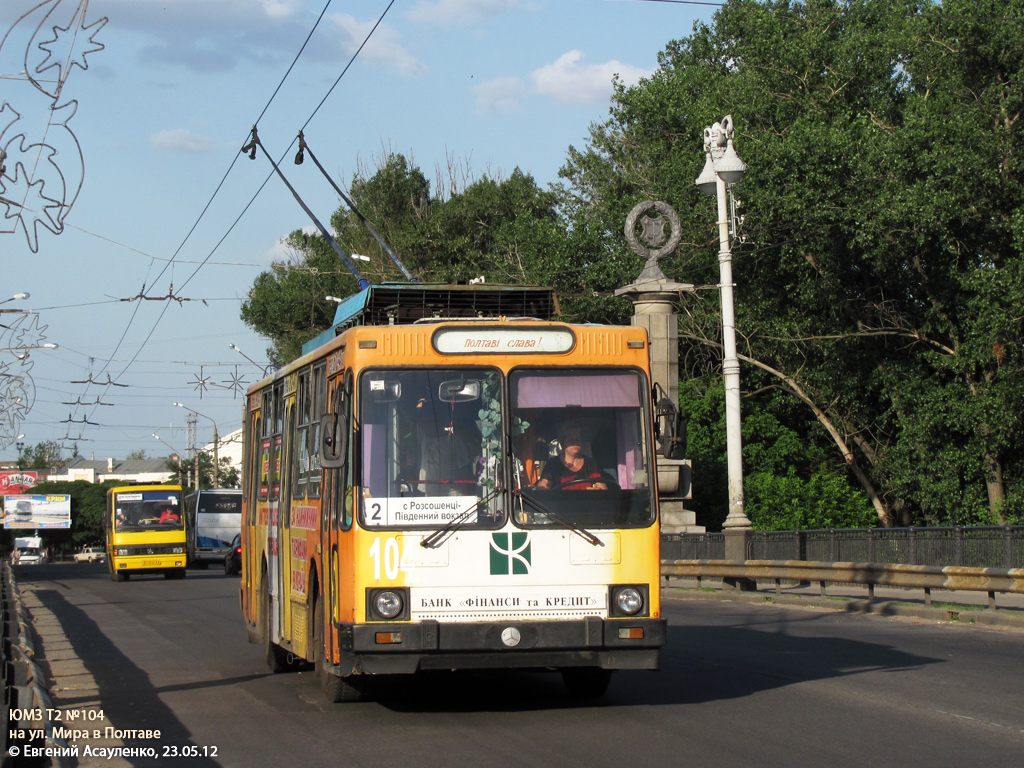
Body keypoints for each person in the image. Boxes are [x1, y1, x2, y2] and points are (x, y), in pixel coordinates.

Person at [535, 423, 614, 491]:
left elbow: (602, 489)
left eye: (577, 440)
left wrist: (598, 490)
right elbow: (543, 487)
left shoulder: (592, 464)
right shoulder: (552, 464)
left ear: (582, 442)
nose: (574, 443)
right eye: (570, 440)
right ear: (563, 443)